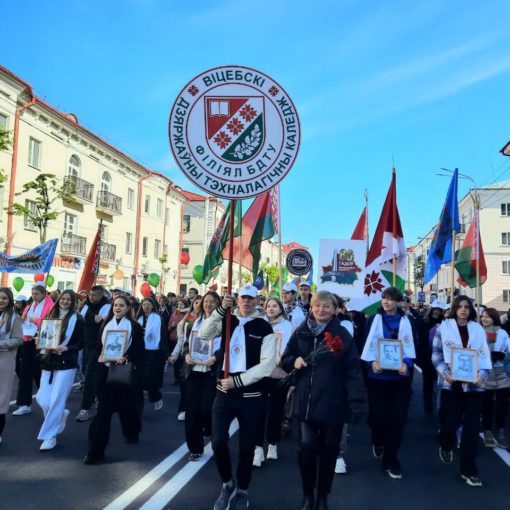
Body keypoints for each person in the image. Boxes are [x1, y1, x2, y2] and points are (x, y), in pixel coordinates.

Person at [282, 290, 364, 510]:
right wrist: (295, 361)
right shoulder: (301, 332)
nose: (321, 310)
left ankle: (323, 496)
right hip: (306, 404)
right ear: (311, 307)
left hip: (333, 404)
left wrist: (356, 402)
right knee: (307, 449)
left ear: (335, 309)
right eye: (317, 305)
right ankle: (308, 494)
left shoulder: (342, 335)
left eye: (326, 306)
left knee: (328, 454)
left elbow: (353, 370)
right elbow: (286, 358)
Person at [200, 284, 277, 510]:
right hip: (224, 394)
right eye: (242, 298)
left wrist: (239, 380)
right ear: (237, 299)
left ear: (256, 302)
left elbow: (267, 364)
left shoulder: (264, 328)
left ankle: (242, 489)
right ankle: (226, 483)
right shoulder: (227, 320)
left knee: (246, 449)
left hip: (251, 396)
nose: (246, 302)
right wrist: (220, 311)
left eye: (250, 299)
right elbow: (204, 335)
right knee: (218, 442)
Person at [432, 295, 492, 487]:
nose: (463, 310)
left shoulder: (477, 330)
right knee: (450, 424)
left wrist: (481, 375)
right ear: (454, 309)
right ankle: (445, 442)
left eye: (467, 307)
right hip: (451, 384)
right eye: (460, 306)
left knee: (472, 429)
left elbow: (484, 355)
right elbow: (436, 355)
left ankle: (469, 469)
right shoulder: (444, 328)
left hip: (474, 386)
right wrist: (446, 372)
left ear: (471, 310)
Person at [361, 286, 416, 480]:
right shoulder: (372, 320)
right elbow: (366, 344)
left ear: (399, 302)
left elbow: (410, 345)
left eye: (391, 299)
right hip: (378, 378)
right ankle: (378, 439)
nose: (386, 302)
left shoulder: (406, 322)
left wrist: (406, 364)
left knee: (397, 421)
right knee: (378, 418)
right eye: (384, 298)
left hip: (399, 380)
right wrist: (371, 362)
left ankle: (391, 460)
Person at [84, 295, 145, 464]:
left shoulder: (134, 327)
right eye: (115, 305)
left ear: (128, 309)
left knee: (127, 409)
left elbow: (140, 352)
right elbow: (98, 348)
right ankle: (95, 452)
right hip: (105, 374)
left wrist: (127, 358)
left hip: (124, 373)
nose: (117, 308)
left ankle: (132, 432)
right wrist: (100, 358)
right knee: (103, 412)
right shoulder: (105, 325)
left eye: (121, 305)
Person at [36, 290, 85, 450]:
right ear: (58, 300)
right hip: (48, 362)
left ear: (73, 303)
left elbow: (81, 342)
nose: (65, 301)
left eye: (68, 300)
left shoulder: (77, 319)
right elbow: (44, 338)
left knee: (57, 399)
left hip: (67, 363)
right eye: (63, 299)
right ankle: (60, 416)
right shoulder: (50, 316)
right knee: (42, 399)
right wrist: (40, 340)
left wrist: (66, 347)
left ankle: (50, 436)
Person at [253, 297, 293, 467]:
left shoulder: (286, 325)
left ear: (281, 308)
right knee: (258, 410)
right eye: (268, 306)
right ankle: (257, 448)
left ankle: (272, 444)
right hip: (261, 372)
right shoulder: (260, 323)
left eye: (274, 306)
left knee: (276, 410)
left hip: (279, 372)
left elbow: (287, 347)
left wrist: (279, 357)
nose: (270, 308)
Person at [182, 291, 221, 460]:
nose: (208, 305)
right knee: (192, 412)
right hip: (193, 372)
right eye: (205, 302)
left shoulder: (222, 324)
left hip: (211, 373)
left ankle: (210, 431)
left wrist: (217, 357)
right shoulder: (192, 324)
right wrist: (186, 356)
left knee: (207, 409)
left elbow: (227, 346)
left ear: (218, 304)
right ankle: (195, 448)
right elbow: (185, 344)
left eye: (212, 302)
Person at [14, 285, 54, 416]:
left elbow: (52, 322)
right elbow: (23, 319)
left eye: (36, 293)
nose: (34, 296)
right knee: (24, 371)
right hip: (27, 340)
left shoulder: (50, 305)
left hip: (41, 342)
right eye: (32, 293)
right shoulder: (30, 305)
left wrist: (36, 320)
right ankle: (24, 404)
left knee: (39, 372)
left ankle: (47, 402)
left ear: (44, 294)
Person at [76, 286, 111, 422]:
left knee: (91, 374)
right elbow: (82, 319)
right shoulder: (86, 305)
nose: (91, 297)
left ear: (101, 296)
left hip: (100, 345)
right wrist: (93, 319)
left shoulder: (106, 306)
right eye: (90, 294)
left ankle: (86, 407)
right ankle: (100, 397)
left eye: (95, 295)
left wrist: (94, 320)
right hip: (87, 343)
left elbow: (102, 322)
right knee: (87, 371)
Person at [480, 307, 510, 449]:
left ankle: (500, 429)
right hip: (486, 372)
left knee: (502, 404)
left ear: (494, 318)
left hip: (502, 371)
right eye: (483, 316)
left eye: (487, 316)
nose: (484, 319)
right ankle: (487, 431)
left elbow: (508, 350)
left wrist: (503, 355)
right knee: (487, 404)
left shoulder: (503, 333)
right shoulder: (478, 333)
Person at [170, 296, 201, 421]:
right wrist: (174, 354)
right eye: (196, 302)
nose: (198, 305)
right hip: (186, 357)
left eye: (201, 303)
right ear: (192, 304)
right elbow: (181, 340)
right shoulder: (185, 320)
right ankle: (183, 409)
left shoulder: (210, 319)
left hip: (202, 359)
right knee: (185, 386)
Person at [136, 297, 169, 411]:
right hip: (140, 352)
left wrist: (165, 354)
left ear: (153, 306)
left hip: (154, 352)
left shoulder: (158, 318)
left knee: (151, 379)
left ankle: (156, 397)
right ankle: (138, 408)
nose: (146, 306)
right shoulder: (138, 318)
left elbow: (163, 335)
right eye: (144, 304)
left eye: (148, 304)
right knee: (138, 380)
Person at [0, 288, 23, 443]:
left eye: (4, 298)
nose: (1, 300)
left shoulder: (14, 317)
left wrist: (1, 343)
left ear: (10, 301)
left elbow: (18, 339)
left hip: (4, 361)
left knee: (0, 401)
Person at [418, 299, 448, 415]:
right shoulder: (424, 322)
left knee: (441, 383)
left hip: (440, 357)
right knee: (428, 383)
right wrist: (421, 358)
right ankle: (428, 405)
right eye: (435, 309)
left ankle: (440, 405)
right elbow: (421, 340)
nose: (437, 312)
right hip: (427, 357)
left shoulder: (445, 323)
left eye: (439, 310)